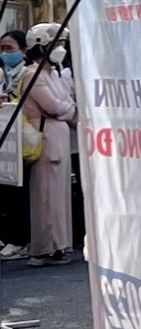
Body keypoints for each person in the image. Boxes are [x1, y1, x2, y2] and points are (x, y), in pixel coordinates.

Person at [18, 24, 77, 266]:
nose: (61, 49)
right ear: (41, 46)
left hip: (59, 137)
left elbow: (68, 104)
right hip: (46, 138)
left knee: (59, 194)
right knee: (46, 195)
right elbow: (56, 107)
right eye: (57, 44)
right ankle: (45, 247)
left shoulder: (53, 73)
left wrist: (67, 107)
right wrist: (67, 108)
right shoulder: (32, 75)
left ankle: (60, 245)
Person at [1, 29, 35, 259]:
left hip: (21, 137)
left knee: (17, 190)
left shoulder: (27, 73)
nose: (5, 53)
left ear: (23, 50)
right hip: (6, 135)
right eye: (2, 48)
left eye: (9, 48)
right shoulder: (4, 73)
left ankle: (20, 239)